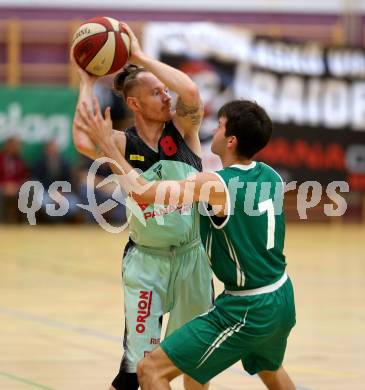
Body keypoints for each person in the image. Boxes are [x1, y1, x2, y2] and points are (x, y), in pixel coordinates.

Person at [76, 98, 296, 389]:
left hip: (247, 307)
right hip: (281, 297)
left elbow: (141, 192)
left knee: (150, 370)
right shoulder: (271, 175)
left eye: (218, 126)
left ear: (231, 140)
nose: (212, 130)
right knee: (264, 369)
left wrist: (108, 146)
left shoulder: (216, 185)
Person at [72, 23, 213, 390]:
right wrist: (87, 82)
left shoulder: (183, 130)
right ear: (133, 103)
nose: (167, 97)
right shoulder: (119, 141)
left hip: (192, 259)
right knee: (139, 368)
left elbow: (191, 91)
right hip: (146, 262)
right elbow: (81, 136)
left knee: (195, 366)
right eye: (155, 93)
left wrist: (137, 55)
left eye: (164, 91)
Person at [0, 137, 28, 223]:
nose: (16, 148)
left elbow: (23, 177)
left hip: (16, 187)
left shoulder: (19, 160)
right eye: (14, 145)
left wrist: (17, 186)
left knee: (27, 192)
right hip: (2, 186)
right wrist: (4, 186)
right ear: (7, 146)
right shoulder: (1, 158)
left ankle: (25, 223)